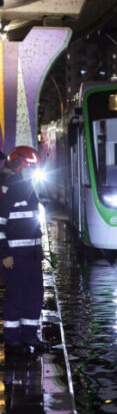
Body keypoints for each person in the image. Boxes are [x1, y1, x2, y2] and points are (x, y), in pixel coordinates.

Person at [1, 146, 49, 357]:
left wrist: (39, 251)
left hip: (31, 255)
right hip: (15, 256)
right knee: (15, 297)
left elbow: (32, 224)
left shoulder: (28, 191)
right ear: (19, 168)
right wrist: (4, 253)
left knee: (34, 296)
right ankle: (12, 340)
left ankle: (29, 335)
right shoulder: (10, 193)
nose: (32, 173)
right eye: (30, 169)